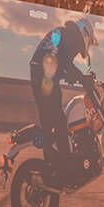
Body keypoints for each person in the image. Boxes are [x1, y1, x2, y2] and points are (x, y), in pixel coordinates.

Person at [29, 16, 97, 186]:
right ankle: (66, 168)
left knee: (48, 123)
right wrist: (82, 79)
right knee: (59, 121)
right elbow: (65, 63)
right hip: (45, 78)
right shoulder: (70, 37)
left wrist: (73, 76)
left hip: (40, 75)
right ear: (85, 34)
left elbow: (60, 62)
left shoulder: (62, 33)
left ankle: (51, 168)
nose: (82, 49)